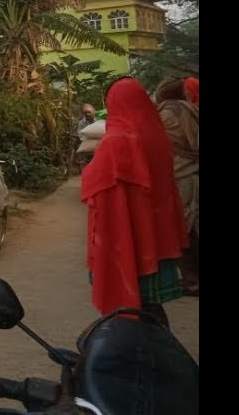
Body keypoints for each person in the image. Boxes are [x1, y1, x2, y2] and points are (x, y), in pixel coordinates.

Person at [82, 78, 189, 328]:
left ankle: (143, 348)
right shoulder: (157, 137)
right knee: (151, 307)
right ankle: (160, 346)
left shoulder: (115, 141)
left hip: (123, 239)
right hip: (155, 239)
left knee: (130, 311)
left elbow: (93, 183)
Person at [154, 79, 200, 295]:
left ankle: (193, 281)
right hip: (194, 173)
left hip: (181, 176)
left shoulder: (167, 114)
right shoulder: (190, 109)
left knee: (183, 228)